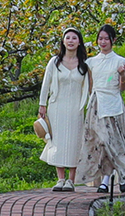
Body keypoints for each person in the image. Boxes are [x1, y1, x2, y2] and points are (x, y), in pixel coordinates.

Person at [80, 24, 125, 194]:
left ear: (113, 40)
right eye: (100, 38)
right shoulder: (91, 62)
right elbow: (90, 85)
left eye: (106, 39)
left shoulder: (120, 61)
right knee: (101, 143)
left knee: (113, 142)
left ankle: (113, 178)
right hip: (96, 105)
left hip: (113, 105)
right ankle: (110, 178)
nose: (103, 42)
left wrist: (122, 75)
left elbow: (122, 88)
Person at [38, 28, 91, 191]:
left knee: (75, 141)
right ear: (63, 41)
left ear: (79, 42)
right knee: (58, 142)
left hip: (76, 107)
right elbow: (46, 84)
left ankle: (71, 180)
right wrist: (42, 104)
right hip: (57, 107)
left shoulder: (85, 64)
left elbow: (90, 87)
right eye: (67, 38)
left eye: (74, 38)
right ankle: (60, 179)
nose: (70, 41)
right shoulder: (54, 62)